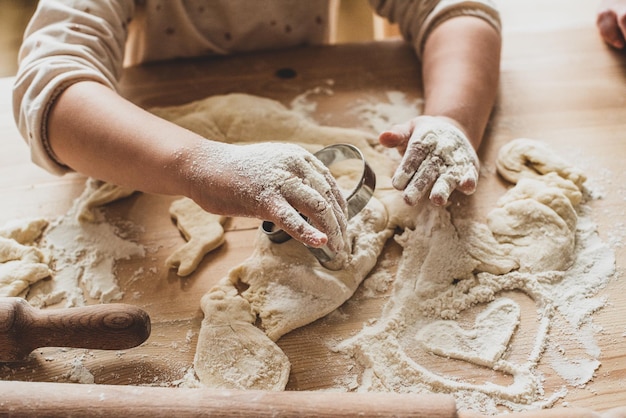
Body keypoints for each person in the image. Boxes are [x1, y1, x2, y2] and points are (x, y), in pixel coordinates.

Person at [12, 0, 501, 261]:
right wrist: (195, 163)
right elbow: (50, 85)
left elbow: (458, 11)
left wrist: (451, 117)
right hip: (148, 145)